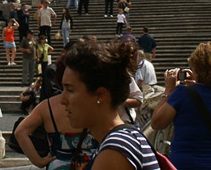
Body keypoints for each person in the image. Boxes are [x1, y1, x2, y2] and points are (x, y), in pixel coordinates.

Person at [60, 39, 159, 169]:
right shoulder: (124, 139)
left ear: (100, 95)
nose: (62, 100)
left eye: (70, 90)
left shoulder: (115, 150)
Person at [151, 42, 211, 169]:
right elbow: (208, 95)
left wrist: (168, 91)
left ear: (196, 67)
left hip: (185, 163)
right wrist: (197, 84)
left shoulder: (182, 93)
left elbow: (157, 123)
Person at [15, 54, 99, 169]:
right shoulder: (97, 104)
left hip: (58, 164)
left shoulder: (47, 106)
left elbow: (20, 132)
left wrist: (38, 161)